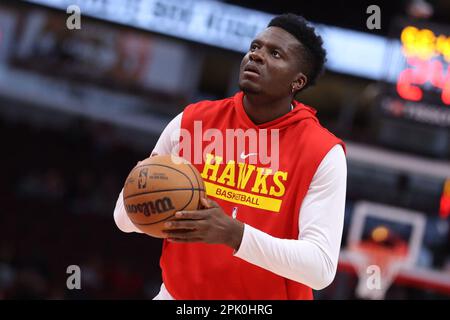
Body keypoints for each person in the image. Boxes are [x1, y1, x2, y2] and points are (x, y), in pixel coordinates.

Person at [113, 13, 347, 300]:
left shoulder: (322, 152)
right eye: (254, 47)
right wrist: (163, 205)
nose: (256, 57)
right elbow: (123, 217)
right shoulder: (191, 121)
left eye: (275, 53)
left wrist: (234, 234)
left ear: (297, 82)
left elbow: (320, 269)